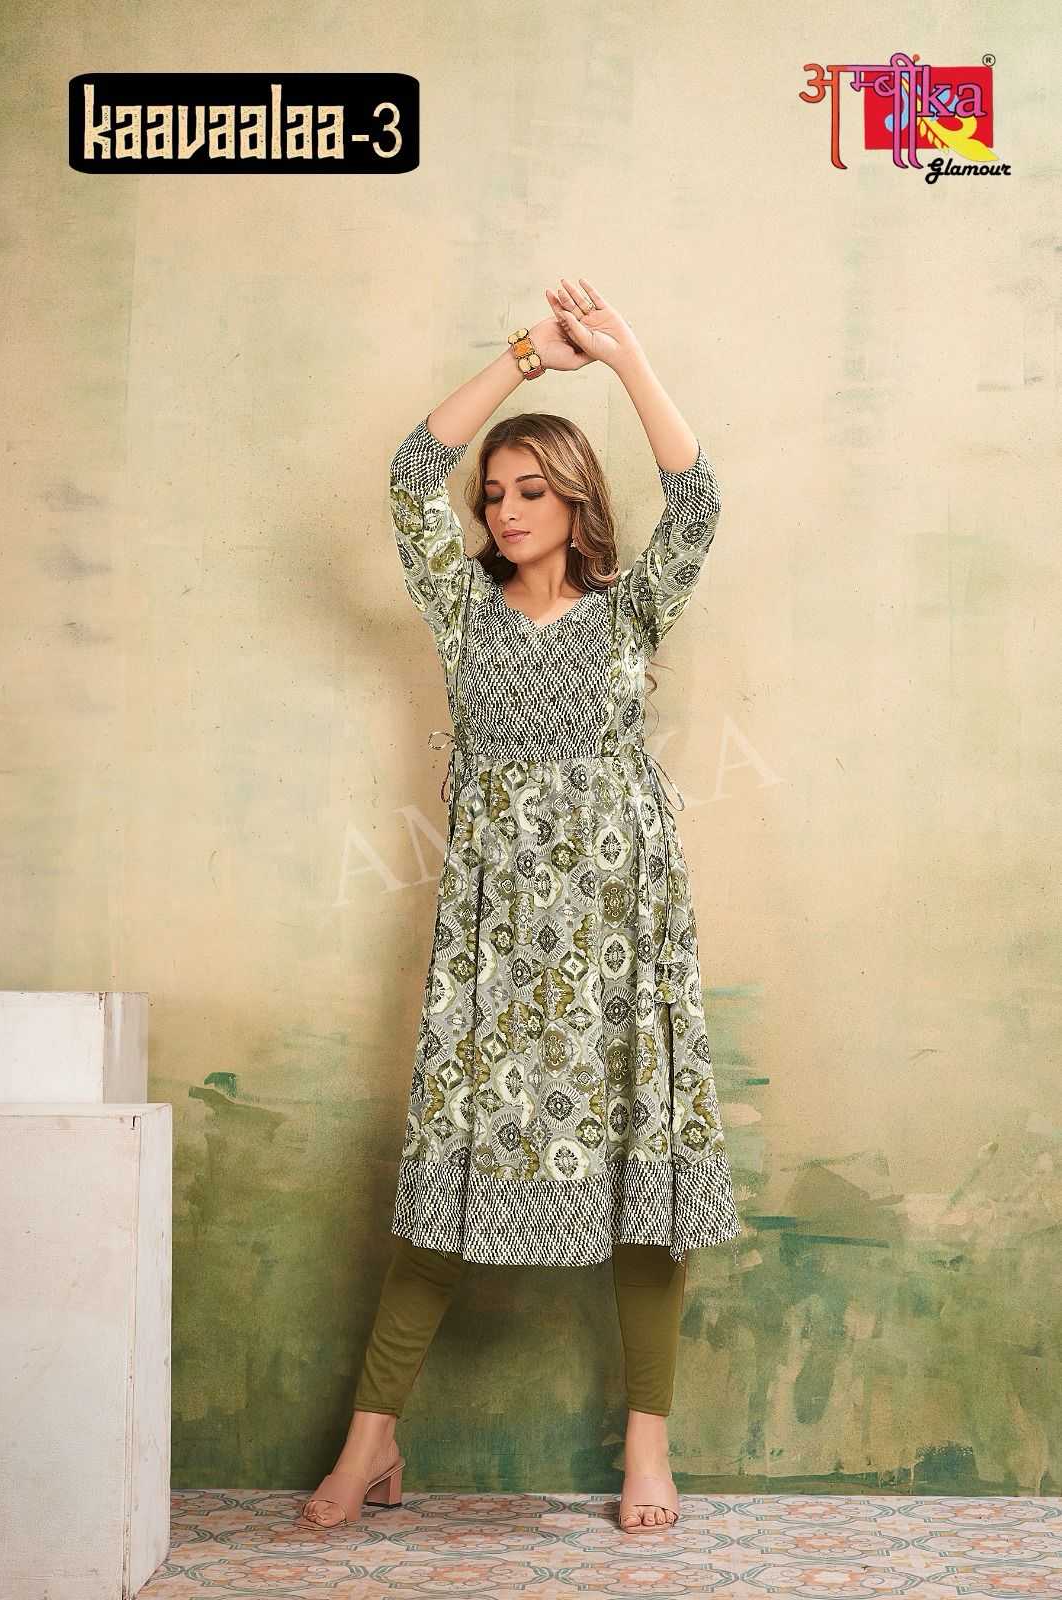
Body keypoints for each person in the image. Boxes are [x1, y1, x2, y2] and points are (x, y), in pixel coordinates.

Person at [302, 275, 742, 1535]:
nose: (502, 508)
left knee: (644, 1181)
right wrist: (522, 356)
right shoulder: (460, 611)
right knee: (449, 1171)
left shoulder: (629, 612)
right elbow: (408, 473)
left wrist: (623, 359)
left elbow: (698, 500)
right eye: (493, 493)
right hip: (495, 942)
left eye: (530, 490)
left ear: (577, 502)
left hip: (623, 928)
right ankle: (372, 1442)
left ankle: (647, 1451)